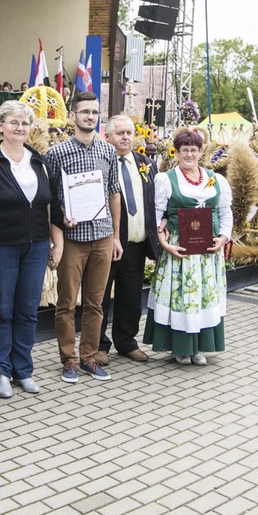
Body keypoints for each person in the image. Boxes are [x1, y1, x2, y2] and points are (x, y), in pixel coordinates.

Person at [0, 100, 57, 398]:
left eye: (25, 123)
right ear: (1, 126)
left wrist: (56, 244)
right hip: (1, 248)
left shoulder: (38, 161)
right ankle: (1, 370)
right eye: (14, 122)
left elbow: (51, 204)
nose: (20, 127)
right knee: (2, 310)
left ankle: (24, 369)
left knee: (28, 310)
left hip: (36, 246)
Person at [44, 92, 122, 383]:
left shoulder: (107, 151)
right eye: (85, 111)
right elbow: (50, 199)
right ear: (72, 116)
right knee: (65, 303)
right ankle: (68, 359)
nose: (90, 116)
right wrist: (60, 219)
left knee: (95, 302)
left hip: (102, 236)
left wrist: (115, 235)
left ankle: (89, 356)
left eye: (95, 112)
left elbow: (113, 192)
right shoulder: (56, 154)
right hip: (73, 238)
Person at [144, 127, 232, 365]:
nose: (189, 155)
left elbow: (225, 212)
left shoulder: (215, 179)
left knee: (203, 296)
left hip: (207, 253)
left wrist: (223, 238)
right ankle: (180, 347)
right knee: (181, 297)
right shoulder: (166, 179)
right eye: (184, 150)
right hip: (178, 249)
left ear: (201, 151)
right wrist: (164, 245)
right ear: (177, 152)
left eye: (194, 150)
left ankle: (199, 347)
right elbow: (156, 216)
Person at [96, 115, 159, 365]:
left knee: (131, 297)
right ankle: (98, 345)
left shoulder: (146, 164)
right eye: (119, 133)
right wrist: (110, 237)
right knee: (99, 297)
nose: (125, 137)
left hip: (137, 245)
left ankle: (126, 342)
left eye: (129, 133)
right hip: (108, 244)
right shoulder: (101, 164)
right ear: (107, 137)